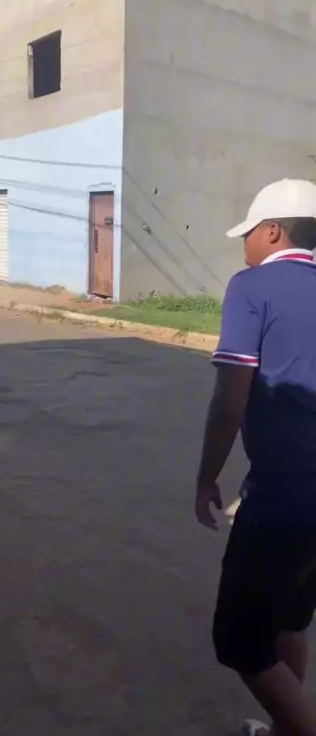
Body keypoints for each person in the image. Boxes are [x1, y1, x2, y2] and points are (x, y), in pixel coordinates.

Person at [195, 178, 316, 736]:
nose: (243, 243)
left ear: (272, 231)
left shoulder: (252, 287)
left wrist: (207, 478)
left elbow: (229, 402)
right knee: (290, 618)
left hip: (283, 498)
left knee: (239, 640)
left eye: (247, 232)